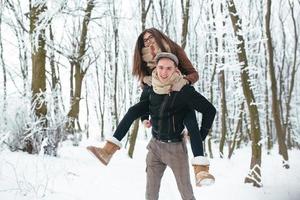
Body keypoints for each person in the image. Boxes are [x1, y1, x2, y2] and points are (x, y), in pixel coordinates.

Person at [87, 29, 214, 185]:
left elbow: (194, 74)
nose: (148, 41)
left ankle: (201, 170)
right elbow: (145, 85)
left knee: (191, 121)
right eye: (144, 40)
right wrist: (145, 116)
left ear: (158, 35)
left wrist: (185, 81)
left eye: (150, 37)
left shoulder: (174, 49)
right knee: (133, 110)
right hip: (156, 95)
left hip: (178, 92)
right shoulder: (143, 56)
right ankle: (107, 151)